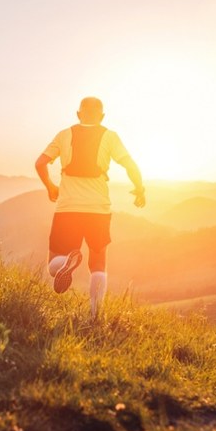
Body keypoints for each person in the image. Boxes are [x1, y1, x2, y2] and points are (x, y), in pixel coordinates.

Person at [35, 96, 145, 319]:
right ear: (102, 117)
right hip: (98, 210)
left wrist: (50, 187)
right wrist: (139, 188)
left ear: (78, 114)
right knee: (98, 263)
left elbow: (40, 163)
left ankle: (66, 263)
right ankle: (95, 316)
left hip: (67, 209)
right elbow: (130, 164)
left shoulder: (64, 134)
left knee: (52, 266)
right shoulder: (110, 136)